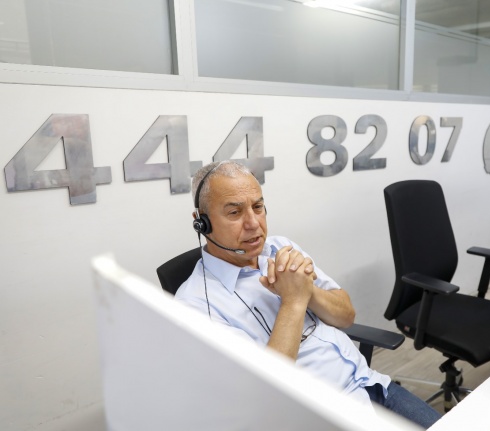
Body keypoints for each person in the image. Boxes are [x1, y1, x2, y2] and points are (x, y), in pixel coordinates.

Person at [175, 160, 442, 429]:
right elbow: (265, 396)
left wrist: (307, 291)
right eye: (234, 212)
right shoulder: (195, 305)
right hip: (316, 417)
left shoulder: (281, 247)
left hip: (368, 384)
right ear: (201, 222)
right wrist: (293, 301)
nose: (253, 224)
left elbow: (346, 316)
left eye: (258, 207)